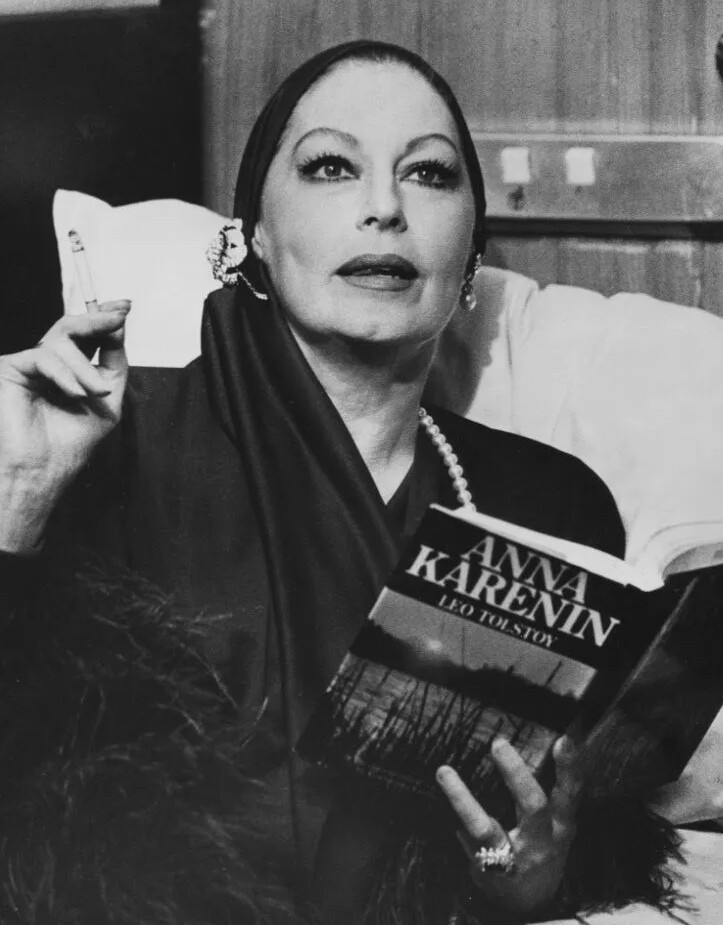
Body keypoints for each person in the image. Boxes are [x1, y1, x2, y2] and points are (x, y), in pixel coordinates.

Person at [0, 40, 677, 924]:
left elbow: (542, 837)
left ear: (471, 252)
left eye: (428, 174)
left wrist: (523, 878)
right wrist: (17, 500)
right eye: (330, 166)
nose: (385, 207)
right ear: (250, 236)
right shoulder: (101, 439)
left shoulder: (546, 504)